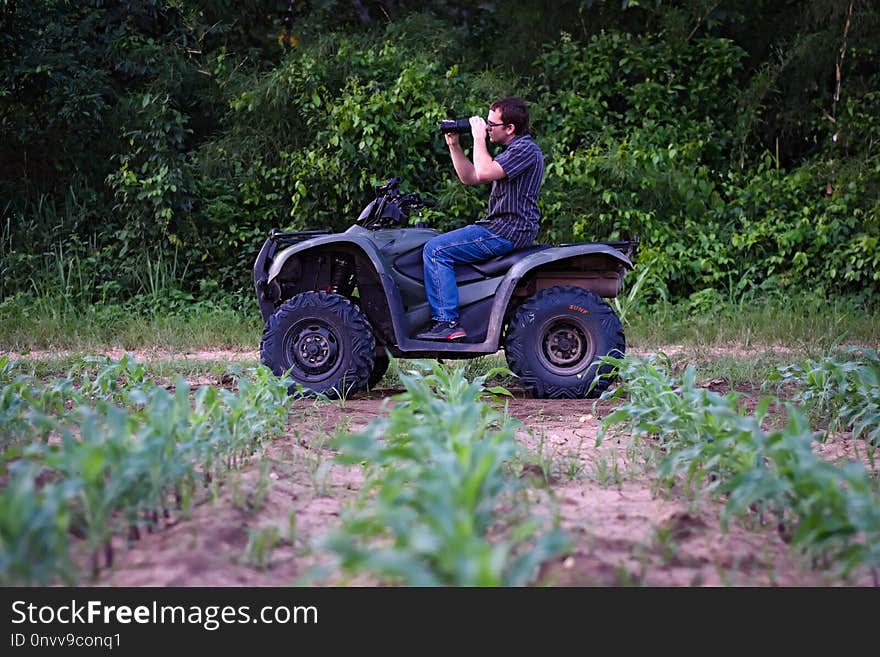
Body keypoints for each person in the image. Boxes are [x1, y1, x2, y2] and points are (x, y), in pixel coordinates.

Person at [416, 96, 545, 341]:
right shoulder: (513, 151)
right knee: (436, 243)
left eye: (491, 124)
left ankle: (446, 322)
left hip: (508, 229)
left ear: (510, 129)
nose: (487, 128)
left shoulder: (525, 149)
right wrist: (454, 145)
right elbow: (471, 177)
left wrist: (477, 137)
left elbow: (484, 172)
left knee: (435, 250)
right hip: (501, 226)